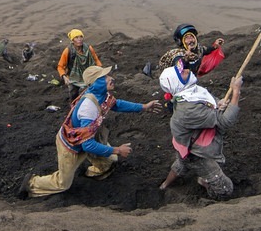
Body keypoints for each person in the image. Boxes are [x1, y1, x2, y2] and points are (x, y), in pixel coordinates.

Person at [18, 65, 160, 199]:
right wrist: (117, 149)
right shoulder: (88, 108)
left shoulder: (102, 95)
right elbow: (87, 145)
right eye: (104, 77)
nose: (110, 78)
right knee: (63, 183)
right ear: (95, 83)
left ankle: (90, 173)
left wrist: (144, 107)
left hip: (88, 136)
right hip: (71, 145)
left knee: (109, 161)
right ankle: (31, 183)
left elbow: (117, 104)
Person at [158, 57, 243, 199]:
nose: (186, 70)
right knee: (225, 189)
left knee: (181, 163)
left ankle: (165, 185)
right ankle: (204, 182)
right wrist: (236, 93)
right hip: (196, 154)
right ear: (177, 83)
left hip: (184, 143)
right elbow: (225, 121)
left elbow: (207, 101)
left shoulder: (188, 92)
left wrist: (217, 103)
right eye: (181, 73)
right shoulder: (188, 109)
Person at [158, 23, 226, 76]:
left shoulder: (198, 50)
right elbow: (178, 68)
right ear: (181, 41)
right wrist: (186, 59)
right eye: (187, 38)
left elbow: (205, 50)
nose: (191, 40)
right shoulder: (178, 55)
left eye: (192, 37)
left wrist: (215, 46)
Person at [56, 29, 103, 102]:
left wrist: (100, 70)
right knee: (74, 95)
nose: (79, 39)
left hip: (88, 75)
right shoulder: (68, 51)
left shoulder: (88, 48)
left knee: (90, 95)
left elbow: (96, 60)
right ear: (72, 40)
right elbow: (60, 66)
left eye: (81, 37)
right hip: (73, 77)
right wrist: (64, 77)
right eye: (76, 37)